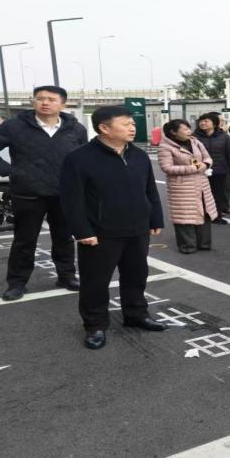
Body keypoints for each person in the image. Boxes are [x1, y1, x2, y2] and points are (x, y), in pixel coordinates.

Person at [58, 106, 167, 350]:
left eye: (132, 123)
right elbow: (70, 199)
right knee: (95, 282)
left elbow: (149, 189)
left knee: (136, 276)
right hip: (100, 233)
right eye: (125, 123)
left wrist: (155, 218)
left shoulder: (138, 155)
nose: (132, 127)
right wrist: (83, 231)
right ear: (104, 128)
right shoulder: (79, 158)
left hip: (137, 229)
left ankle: (136, 315)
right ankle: (95, 325)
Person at [0, 85, 87, 301]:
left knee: (64, 238)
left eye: (51, 99)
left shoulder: (76, 129)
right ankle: (16, 283)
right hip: (27, 193)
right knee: (24, 240)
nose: (44, 102)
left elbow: (83, 158)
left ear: (63, 104)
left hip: (64, 193)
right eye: (39, 98)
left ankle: (67, 276)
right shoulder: (14, 126)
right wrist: (9, 171)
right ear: (33, 102)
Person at [157, 119, 219, 253]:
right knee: (184, 216)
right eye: (185, 129)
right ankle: (187, 246)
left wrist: (206, 165)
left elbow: (207, 158)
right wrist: (193, 168)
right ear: (173, 132)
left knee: (204, 212)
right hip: (181, 187)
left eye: (189, 129)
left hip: (201, 184)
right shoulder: (165, 147)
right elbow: (167, 168)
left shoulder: (195, 141)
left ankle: (204, 243)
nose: (189, 132)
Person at [194, 113, 230, 222]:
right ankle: (203, 214)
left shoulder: (223, 136)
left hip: (220, 170)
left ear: (214, 124)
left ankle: (217, 215)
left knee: (218, 194)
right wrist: (197, 167)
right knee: (202, 194)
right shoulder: (194, 137)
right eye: (201, 121)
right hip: (201, 171)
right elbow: (190, 155)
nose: (203, 123)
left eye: (206, 121)